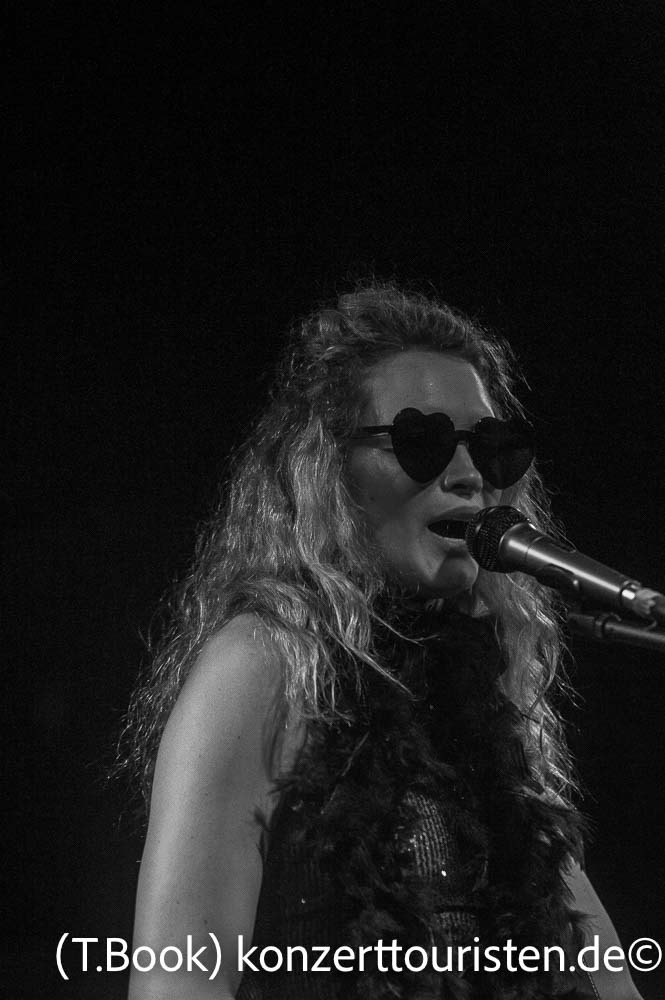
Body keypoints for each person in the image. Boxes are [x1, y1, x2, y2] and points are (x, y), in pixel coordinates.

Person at [122, 283, 643, 999]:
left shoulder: (488, 705)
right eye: (422, 441)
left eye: (492, 448)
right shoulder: (264, 666)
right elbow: (177, 984)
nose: (468, 476)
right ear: (329, 470)